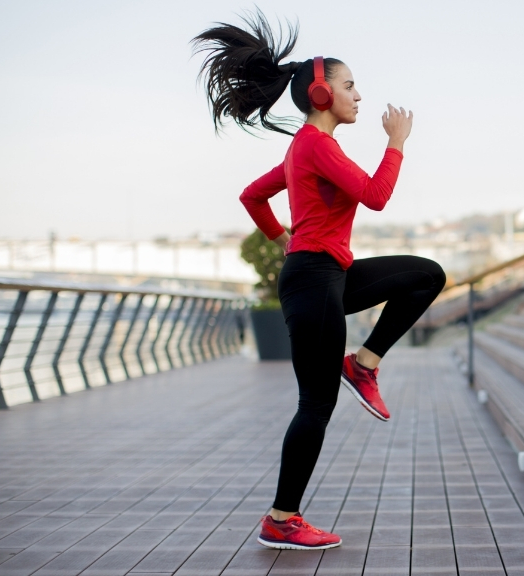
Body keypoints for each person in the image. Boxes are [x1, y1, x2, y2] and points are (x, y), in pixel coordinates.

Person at [193, 12, 445, 551]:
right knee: (315, 405)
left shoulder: (304, 150)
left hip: (327, 272)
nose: (358, 95)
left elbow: (251, 196)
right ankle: (282, 518)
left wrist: (280, 235)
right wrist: (397, 142)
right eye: (349, 85)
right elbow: (376, 195)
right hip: (313, 280)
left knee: (426, 276)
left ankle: (364, 363)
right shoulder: (314, 146)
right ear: (320, 92)